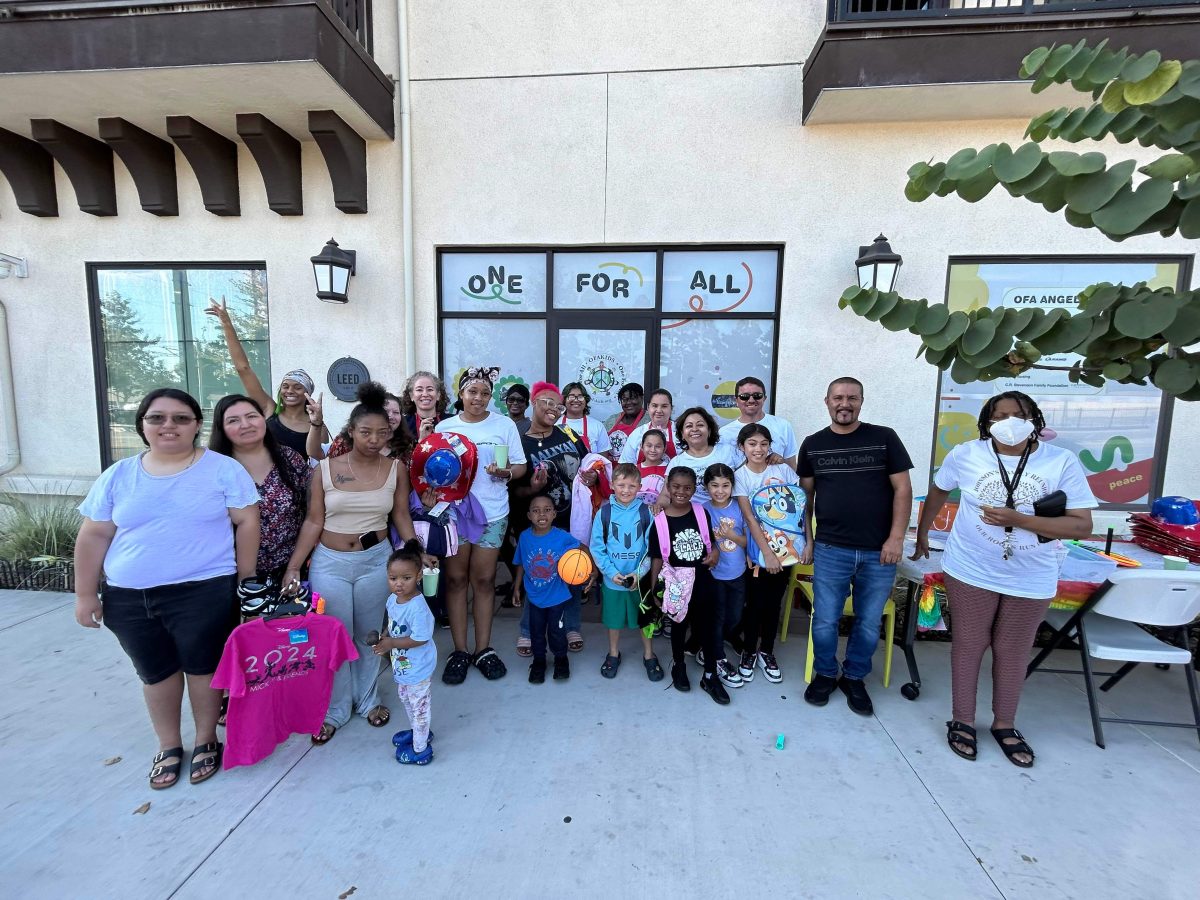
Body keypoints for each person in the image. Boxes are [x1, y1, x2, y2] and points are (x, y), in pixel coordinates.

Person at [74, 388, 260, 789]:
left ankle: (207, 738)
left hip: (204, 590)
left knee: (203, 668)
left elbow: (247, 522)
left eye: (180, 418)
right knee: (155, 672)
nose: (168, 425)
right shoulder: (119, 475)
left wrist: (245, 580)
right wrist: (85, 593)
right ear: (142, 425)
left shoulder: (222, 469)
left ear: (197, 425)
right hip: (129, 597)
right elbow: (94, 535)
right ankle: (169, 744)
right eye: (157, 418)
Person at [913, 391, 1095, 768]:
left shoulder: (1060, 461)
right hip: (972, 567)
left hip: (1032, 572)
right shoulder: (966, 454)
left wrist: (1020, 520)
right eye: (999, 416)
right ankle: (963, 719)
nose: (1008, 422)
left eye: (1018, 415)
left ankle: (1005, 723)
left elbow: (1081, 525)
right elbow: (938, 490)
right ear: (987, 422)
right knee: (969, 643)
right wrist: (923, 532)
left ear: (1034, 420)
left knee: (1013, 649)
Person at [283, 381, 428, 744]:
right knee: (335, 636)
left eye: (382, 432)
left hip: (376, 561)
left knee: (369, 635)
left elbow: (400, 515)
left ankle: (367, 700)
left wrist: (415, 548)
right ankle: (335, 709)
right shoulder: (325, 469)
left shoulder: (395, 469)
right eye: (366, 432)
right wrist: (294, 566)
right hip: (330, 563)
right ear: (351, 431)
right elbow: (313, 521)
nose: (374, 439)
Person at [799, 376, 913, 716]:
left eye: (852, 398)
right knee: (825, 620)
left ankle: (854, 677)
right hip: (830, 549)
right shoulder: (813, 444)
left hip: (879, 551)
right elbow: (805, 498)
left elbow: (903, 490)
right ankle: (825, 674)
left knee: (868, 622)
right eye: (838, 398)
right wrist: (807, 540)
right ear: (827, 401)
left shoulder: (884, 438)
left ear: (861, 401)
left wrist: (896, 538)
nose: (844, 404)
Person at [435, 367, 528, 684]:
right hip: (454, 513)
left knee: (485, 581)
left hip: (493, 512)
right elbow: (432, 466)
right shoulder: (445, 427)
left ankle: (483, 649)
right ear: (461, 394)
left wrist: (507, 473)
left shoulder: (504, 425)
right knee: (456, 580)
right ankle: (460, 651)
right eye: (472, 391)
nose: (478, 397)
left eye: (485, 393)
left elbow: (520, 465)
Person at [510, 382, 590, 655]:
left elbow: (587, 463)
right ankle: (527, 630)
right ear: (533, 403)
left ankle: (571, 626)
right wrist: (533, 488)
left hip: (572, 518)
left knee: (573, 569)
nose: (553, 409)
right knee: (538, 573)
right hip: (539, 523)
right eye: (547, 402)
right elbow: (513, 491)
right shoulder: (520, 442)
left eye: (558, 405)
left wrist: (592, 475)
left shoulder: (568, 433)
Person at [205, 296, 327, 458]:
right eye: (285, 386)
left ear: (308, 393)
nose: (290, 391)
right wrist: (226, 323)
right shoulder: (269, 409)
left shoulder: (317, 425)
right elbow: (243, 369)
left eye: (298, 387)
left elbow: (320, 460)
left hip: (302, 475)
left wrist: (317, 423)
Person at [209, 394, 308, 586]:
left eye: (252, 416)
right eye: (233, 420)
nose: (245, 425)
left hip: (288, 571)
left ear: (264, 419)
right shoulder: (214, 468)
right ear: (221, 428)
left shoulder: (290, 459)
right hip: (229, 575)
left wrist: (295, 566)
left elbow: (312, 512)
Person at [650, 467, 726, 704]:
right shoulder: (660, 522)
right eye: (676, 487)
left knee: (709, 629)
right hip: (676, 585)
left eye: (687, 488)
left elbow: (711, 542)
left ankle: (710, 675)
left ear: (694, 489)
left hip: (703, 581)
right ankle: (679, 666)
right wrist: (654, 590)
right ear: (668, 487)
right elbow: (656, 558)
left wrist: (715, 552)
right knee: (678, 626)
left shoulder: (701, 512)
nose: (681, 492)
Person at [733, 423, 796, 685]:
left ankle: (766, 651)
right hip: (758, 552)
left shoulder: (783, 470)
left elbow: (798, 507)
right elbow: (749, 518)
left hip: (787, 550)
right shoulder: (740, 476)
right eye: (752, 444)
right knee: (755, 603)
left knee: (774, 603)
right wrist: (767, 554)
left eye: (763, 444)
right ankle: (749, 651)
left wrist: (802, 546)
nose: (758, 449)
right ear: (742, 447)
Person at [591, 463, 663, 682]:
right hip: (613, 580)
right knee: (613, 620)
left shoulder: (646, 512)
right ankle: (613, 653)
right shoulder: (604, 513)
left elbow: (651, 549)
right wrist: (611, 572)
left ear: (639, 487)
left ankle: (649, 654)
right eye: (621, 485)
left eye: (632, 486)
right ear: (612, 485)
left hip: (639, 581)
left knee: (645, 620)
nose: (626, 490)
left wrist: (639, 574)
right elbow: (597, 548)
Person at [511, 495, 594, 683]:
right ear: (529, 515)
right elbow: (521, 563)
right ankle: (539, 662)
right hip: (535, 597)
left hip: (558, 597)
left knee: (557, 632)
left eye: (547, 510)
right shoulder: (524, 537)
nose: (542, 514)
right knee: (536, 632)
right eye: (536, 510)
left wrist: (592, 570)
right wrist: (516, 587)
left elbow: (582, 548)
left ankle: (561, 660)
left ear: (554, 514)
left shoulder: (562, 537)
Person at [375, 540, 437, 766]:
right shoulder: (393, 599)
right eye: (393, 578)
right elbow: (392, 624)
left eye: (406, 578)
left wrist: (391, 643)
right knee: (406, 698)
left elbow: (421, 638)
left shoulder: (418, 608)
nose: (399, 584)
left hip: (418, 666)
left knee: (419, 706)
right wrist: (384, 637)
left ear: (418, 576)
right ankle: (419, 732)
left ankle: (420, 749)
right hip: (403, 665)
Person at [702, 463, 749, 688]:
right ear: (706, 487)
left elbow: (749, 541)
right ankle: (717, 656)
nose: (720, 491)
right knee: (717, 617)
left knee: (735, 616)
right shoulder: (702, 510)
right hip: (714, 575)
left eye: (725, 485)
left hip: (737, 573)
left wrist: (731, 535)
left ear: (732, 486)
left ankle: (713, 643)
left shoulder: (739, 507)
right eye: (714, 485)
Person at [306, 391, 414, 464]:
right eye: (386, 411)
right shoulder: (346, 441)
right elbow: (316, 454)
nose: (391, 416)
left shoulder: (407, 446)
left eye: (396, 412)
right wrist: (316, 422)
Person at [718, 376, 798, 469]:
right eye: (744, 396)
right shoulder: (724, 433)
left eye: (757, 396)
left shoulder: (783, 425)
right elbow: (722, 472)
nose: (751, 400)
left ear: (764, 398)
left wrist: (780, 461)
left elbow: (792, 466)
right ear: (736, 400)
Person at [666, 406, 734, 504]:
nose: (694, 429)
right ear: (682, 434)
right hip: (693, 512)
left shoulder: (728, 451)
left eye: (700, 425)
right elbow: (666, 494)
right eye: (689, 426)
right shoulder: (676, 462)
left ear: (709, 430)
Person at [618, 389, 678, 464]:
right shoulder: (638, 433)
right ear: (648, 407)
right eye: (654, 406)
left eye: (664, 406)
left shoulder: (680, 432)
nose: (659, 410)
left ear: (671, 408)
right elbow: (625, 465)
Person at [559, 381, 612, 456]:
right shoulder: (555, 424)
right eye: (571, 396)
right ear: (564, 400)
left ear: (585, 400)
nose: (576, 400)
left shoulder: (597, 426)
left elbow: (603, 459)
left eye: (580, 397)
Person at [402, 370, 452, 442]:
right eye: (419, 390)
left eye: (430, 389)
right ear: (411, 396)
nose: (425, 394)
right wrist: (421, 441)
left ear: (438, 395)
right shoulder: (404, 424)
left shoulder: (451, 421)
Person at [606, 382, 646, 462]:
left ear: (642, 398)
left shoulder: (649, 420)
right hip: (611, 468)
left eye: (633, 398)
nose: (628, 402)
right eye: (624, 399)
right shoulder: (612, 419)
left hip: (635, 468)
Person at [635, 430, 669, 508]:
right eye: (649, 445)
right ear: (642, 446)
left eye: (658, 446)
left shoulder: (670, 469)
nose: (653, 450)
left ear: (664, 448)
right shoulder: (634, 470)